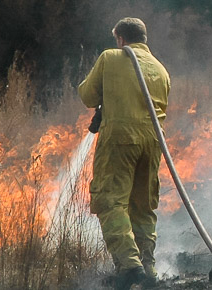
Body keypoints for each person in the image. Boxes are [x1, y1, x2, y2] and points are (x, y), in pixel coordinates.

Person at [79, 17, 170, 289]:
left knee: (110, 200)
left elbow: (87, 96)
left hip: (120, 138)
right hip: (154, 142)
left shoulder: (111, 57)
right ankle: (148, 267)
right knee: (142, 206)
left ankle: (130, 266)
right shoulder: (161, 70)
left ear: (121, 39)